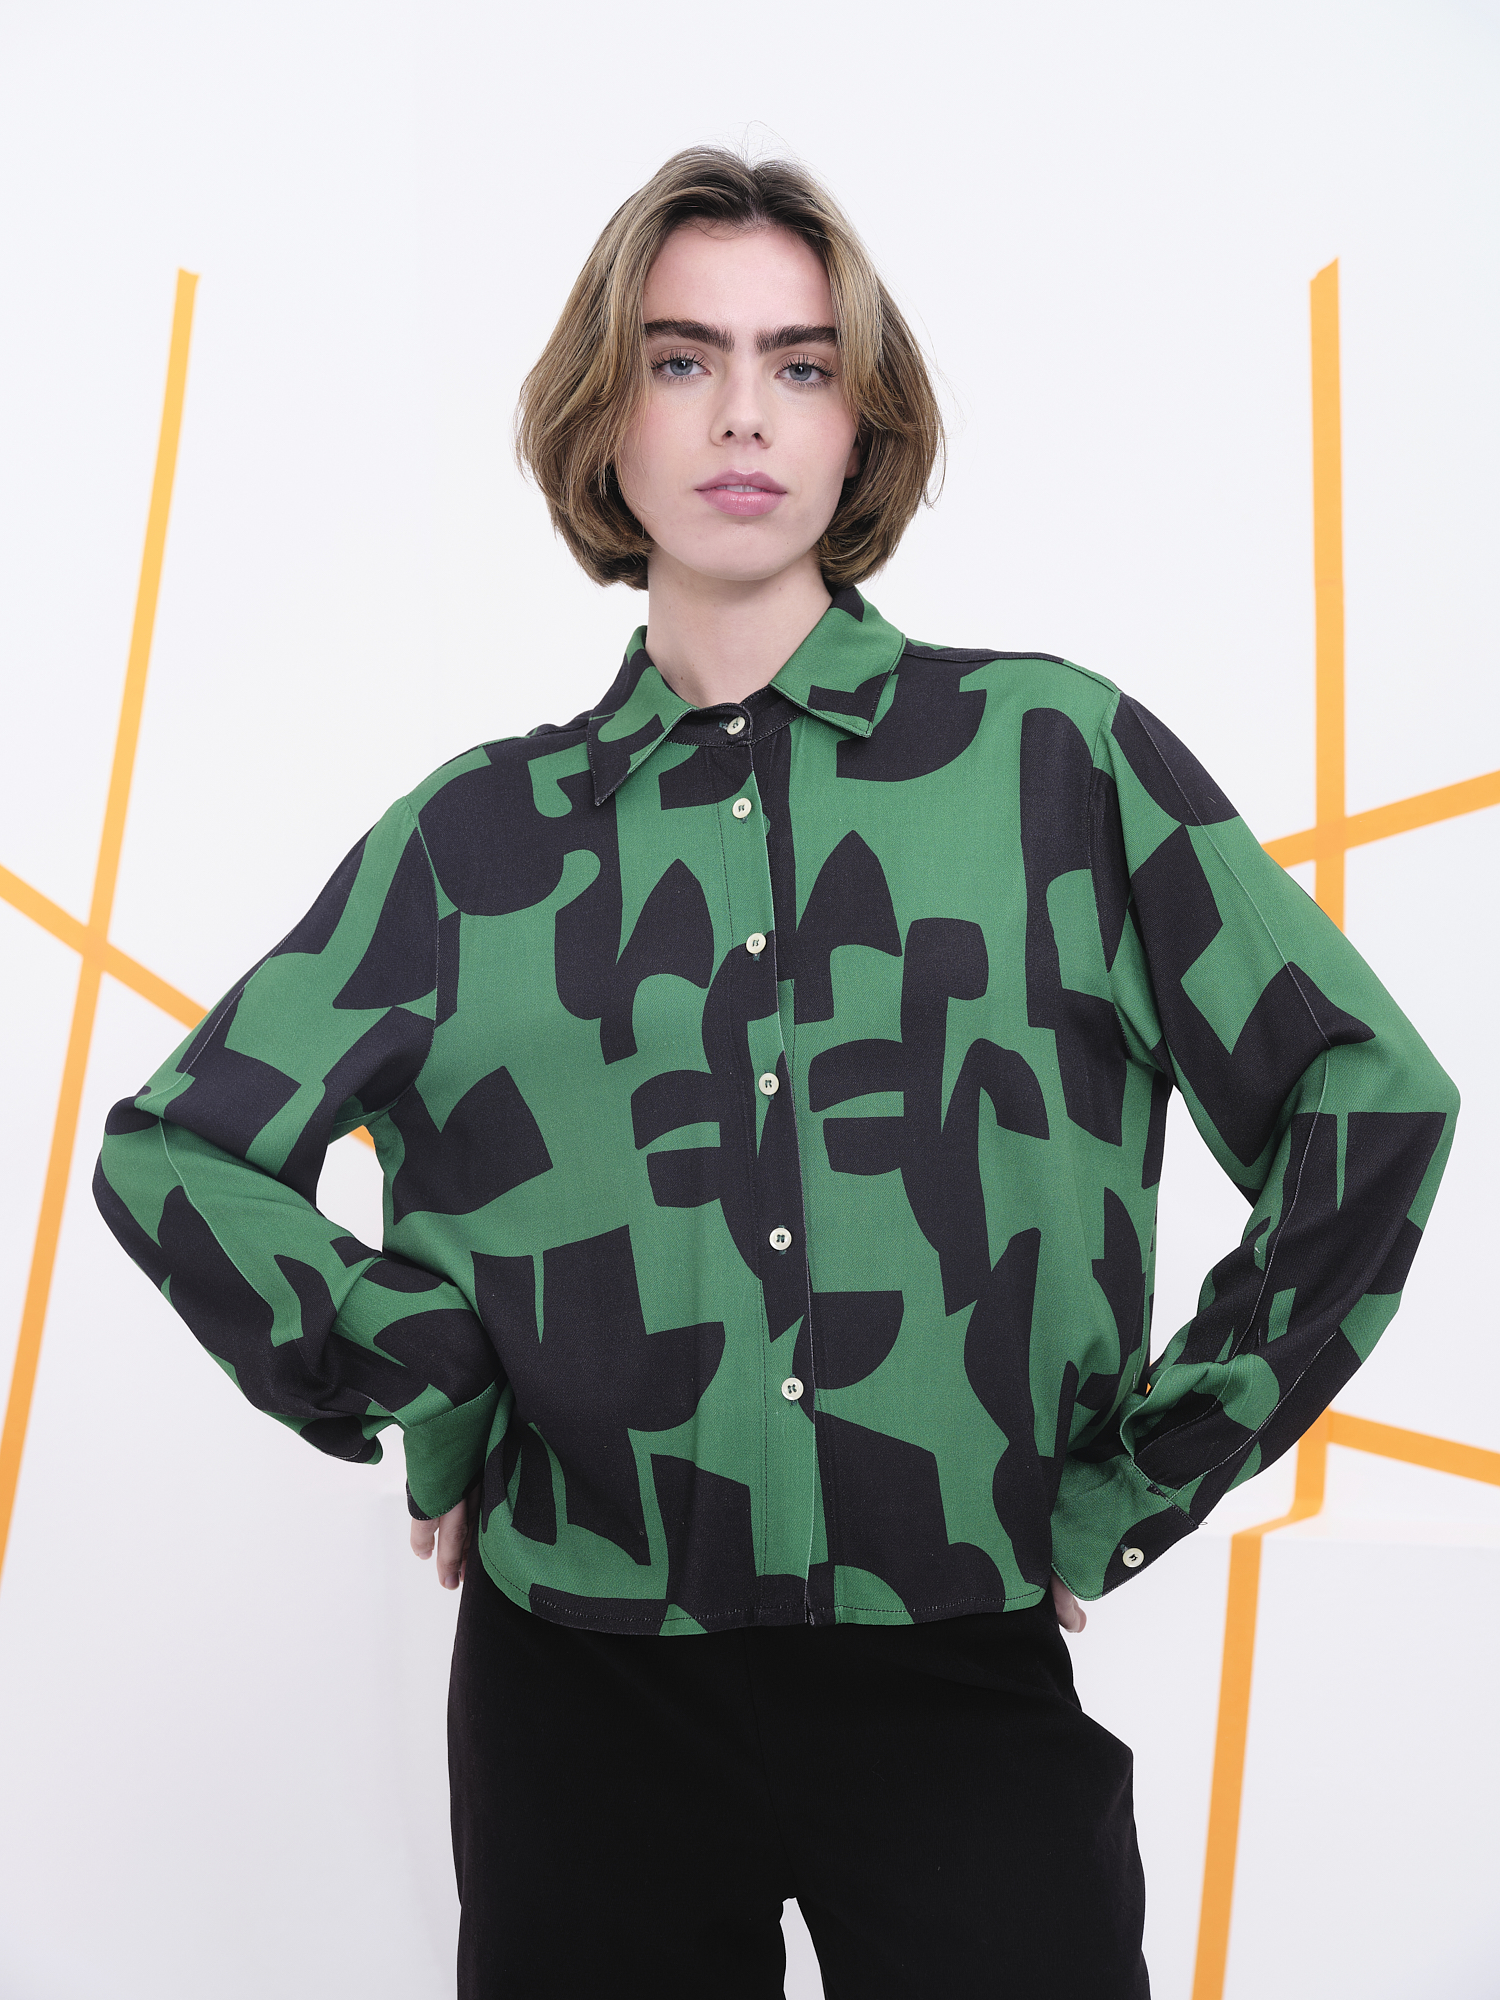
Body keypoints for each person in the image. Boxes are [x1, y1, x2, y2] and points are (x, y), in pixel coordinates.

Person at [94, 147, 1458, 1998]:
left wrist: (1146, 1471)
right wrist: (423, 1363)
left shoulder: (1055, 766)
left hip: (959, 1672)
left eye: (801, 364)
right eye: (683, 359)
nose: (744, 413)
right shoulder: (474, 846)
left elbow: (1365, 1098)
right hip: (582, 1701)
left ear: (858, 419)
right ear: (607, 415)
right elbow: (179, 1151)